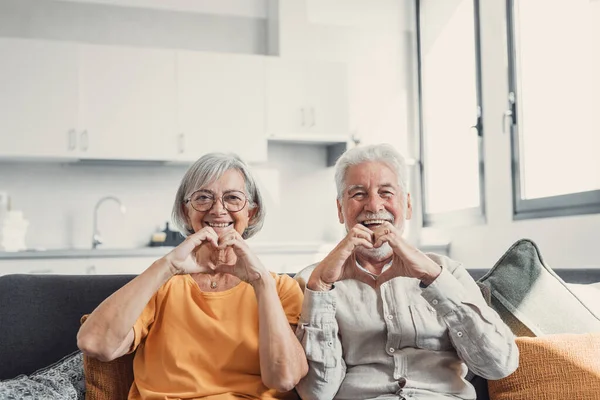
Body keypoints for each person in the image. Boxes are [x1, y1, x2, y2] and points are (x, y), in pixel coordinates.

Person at [294, 144, 518, 400]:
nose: (374, 205)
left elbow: (499, 365)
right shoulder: (313, 281)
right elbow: (317, 393)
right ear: (340, 209)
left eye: (386, 192)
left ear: (408, 205)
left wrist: (434, 279)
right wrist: (321, 288)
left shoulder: (448, 272)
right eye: (358, 194)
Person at [77, 152, 308, 400]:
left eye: (232, 198)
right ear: (186, 212)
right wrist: (167, 266)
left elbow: (284, 379)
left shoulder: (279, 288)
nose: (218, 209)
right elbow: (95, 344)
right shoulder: (163, 285)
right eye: (203, 197)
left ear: (251, 213)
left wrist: (261, 282)